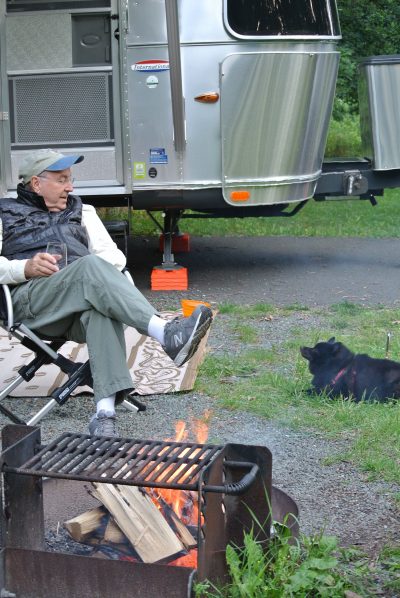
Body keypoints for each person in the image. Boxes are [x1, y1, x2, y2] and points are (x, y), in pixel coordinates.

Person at [0, 149, 213, 436]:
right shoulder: (5, 213)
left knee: (101, 310)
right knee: (89, 267)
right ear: (37, 184)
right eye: (62, 180)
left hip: (75, 304)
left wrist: (80, 274)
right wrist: (24, 267)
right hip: (31, 302)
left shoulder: (83, 212)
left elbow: (114, 259)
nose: (70, 187)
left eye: (71, 179)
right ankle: (164, 332)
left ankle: (104, 415)